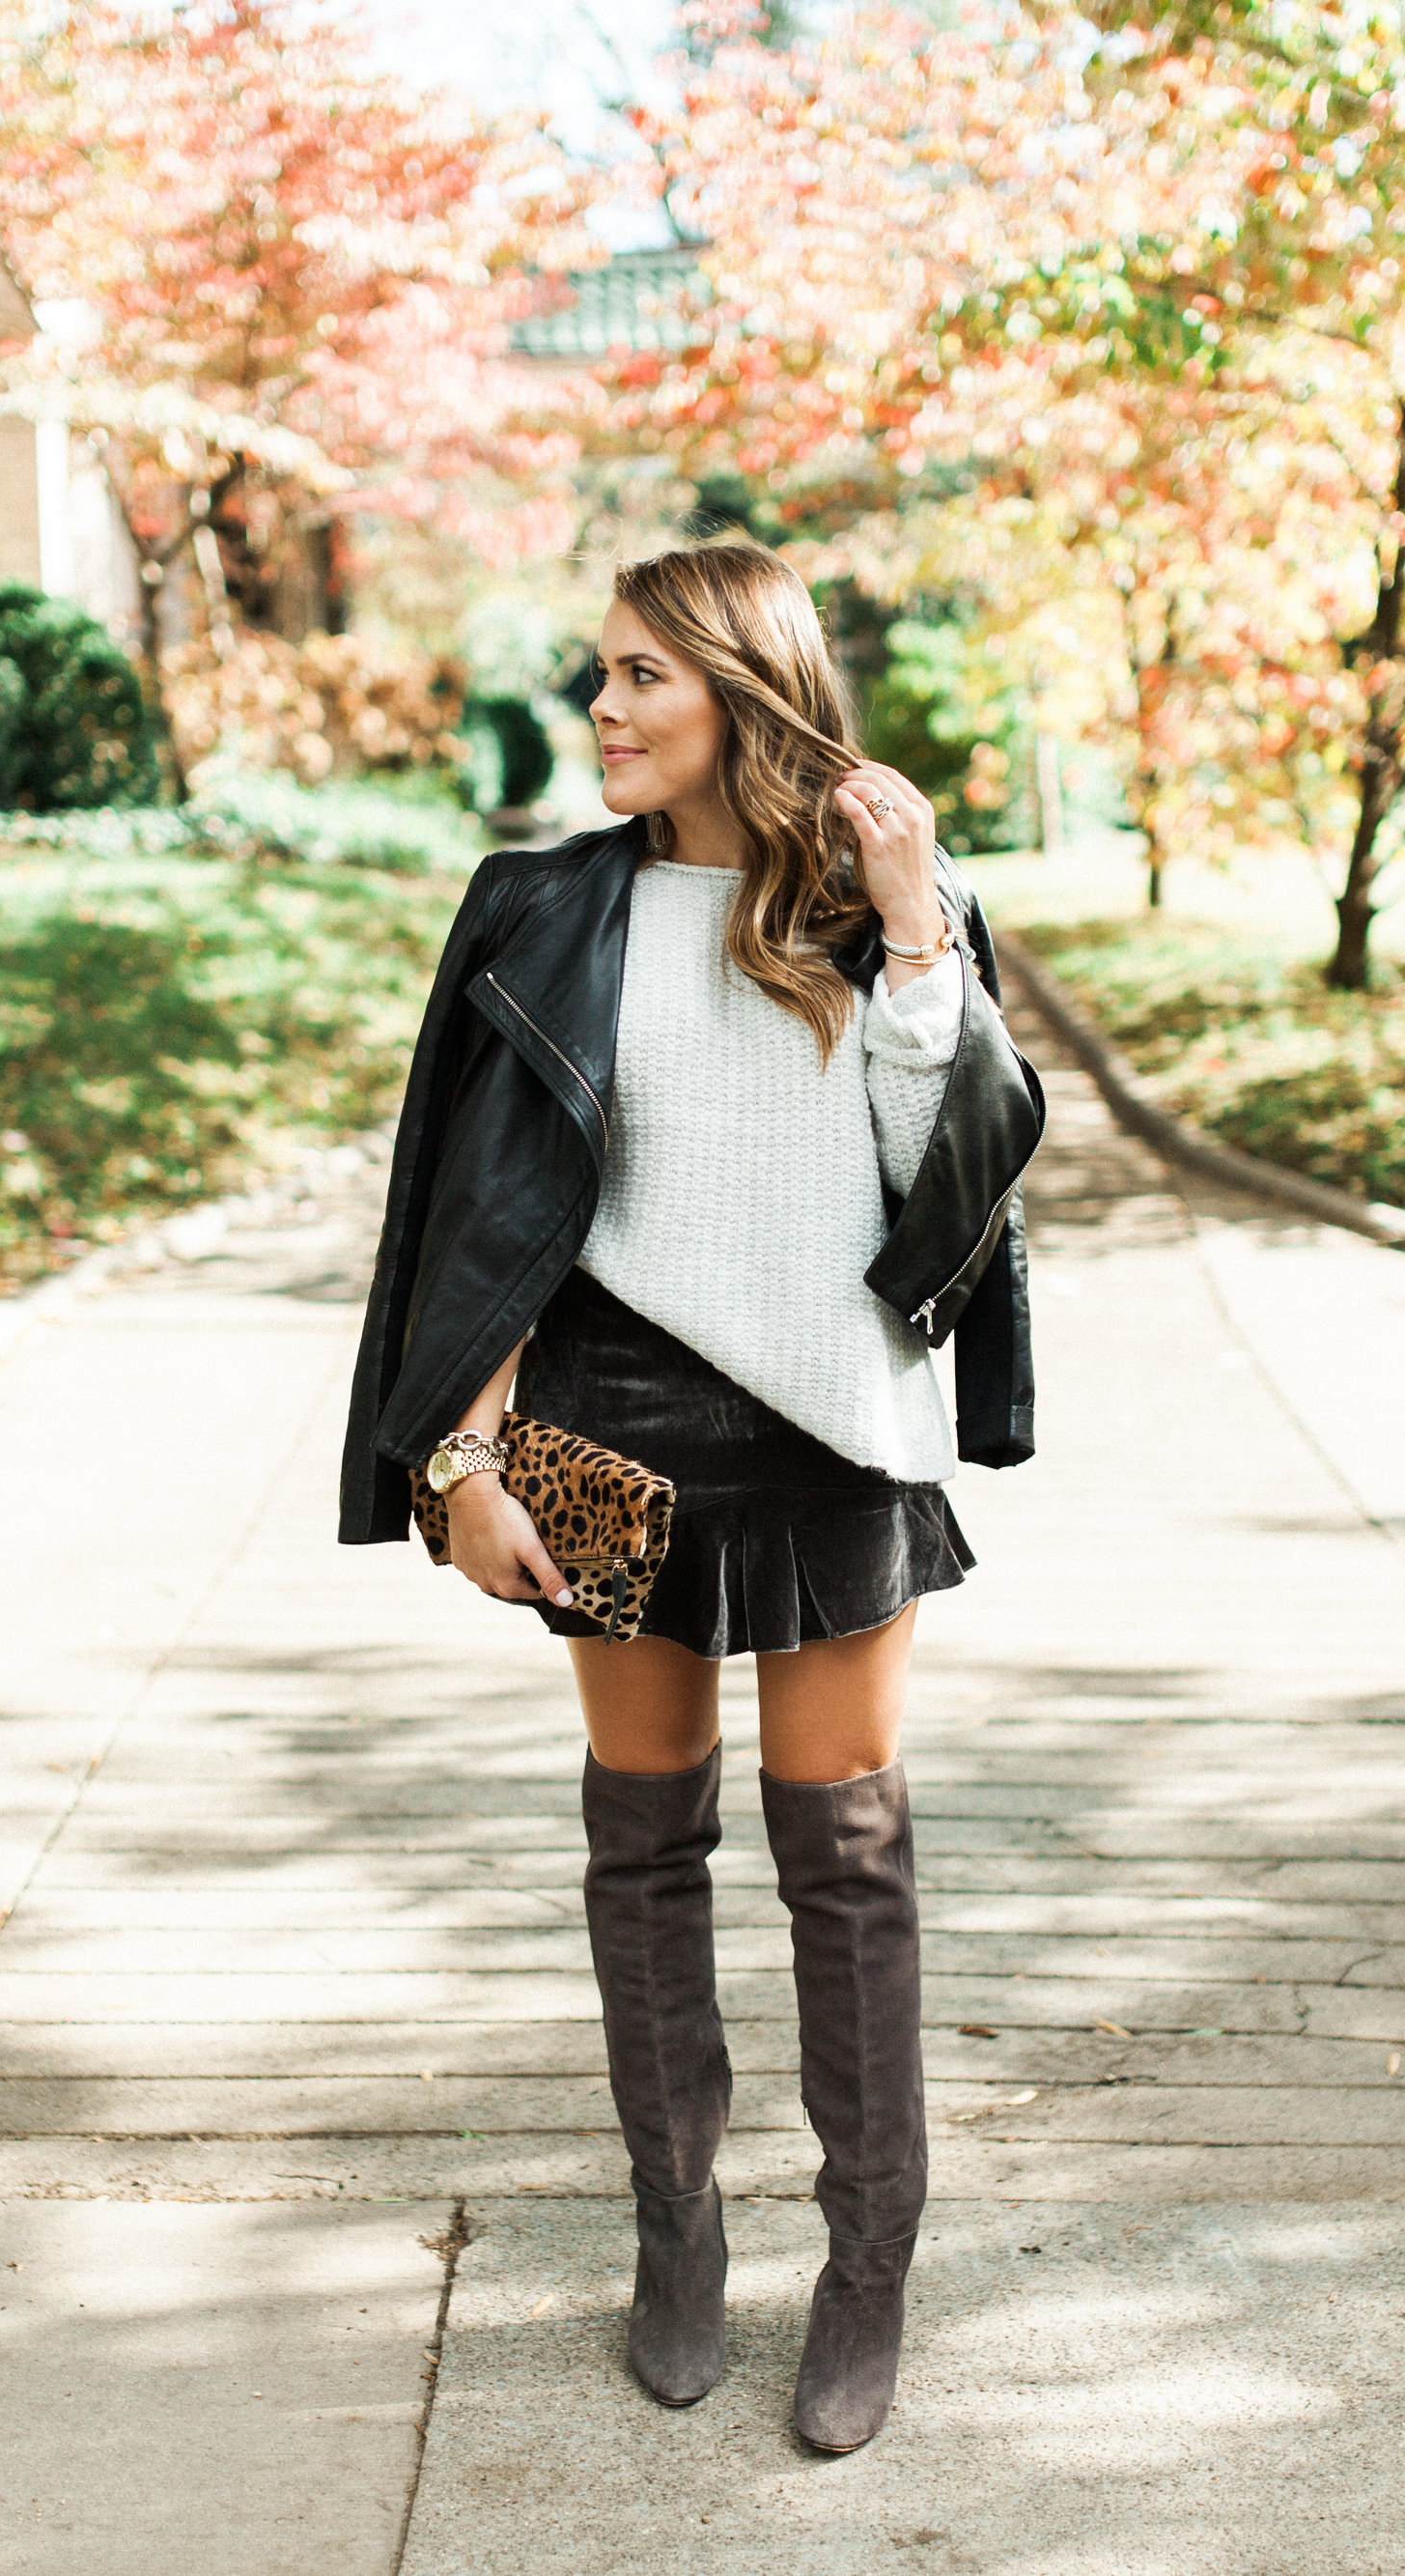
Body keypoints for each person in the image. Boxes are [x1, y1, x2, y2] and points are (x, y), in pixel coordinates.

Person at [337, 542, 1042, 2453]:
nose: (606, 709)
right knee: (640, 1847)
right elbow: (482, 1213)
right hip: (600, 1430)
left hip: (831, 1434)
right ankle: (674, 2229)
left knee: (848, 1859)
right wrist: (461, 1458)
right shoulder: (539, 911)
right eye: (600, 675)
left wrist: (911, 929)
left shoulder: (880, 911)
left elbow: (942, 1186)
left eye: (644, 672)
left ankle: (865, 2262)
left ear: (744, 682)